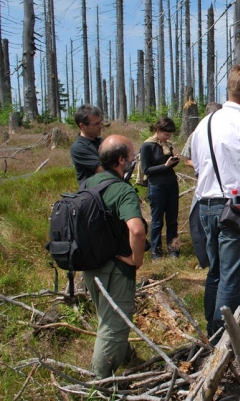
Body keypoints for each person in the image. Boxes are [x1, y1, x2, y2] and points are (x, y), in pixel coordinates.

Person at [190, 64, 240, 336]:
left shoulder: (204, 124)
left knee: (215, 273)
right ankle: (223, 340)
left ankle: (213, 334)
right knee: (232, 280)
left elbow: (198, 167)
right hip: (236, 209)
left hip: (206, 205)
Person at [82, 134, 146, 378]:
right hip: (115, 269)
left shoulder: (89, 184)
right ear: (121, 160)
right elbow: (137, 230)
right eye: (131, 156)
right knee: (113, 326)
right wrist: (135, 260)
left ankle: (127, 358)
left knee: (107, 318)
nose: (133, 160)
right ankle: (99, 384)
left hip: (90, 265)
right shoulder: (122, 190)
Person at [140, 117, 180, 260]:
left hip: (171, 184)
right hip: (156, 186)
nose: (168, 137)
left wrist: (173, 161)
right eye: (166, 134)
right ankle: (155, 252)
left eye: (170, 135)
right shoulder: (147, 146)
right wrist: (165, 166)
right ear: (158, 130)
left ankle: (173, 250)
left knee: (172, 220)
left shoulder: (167, 145)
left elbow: (167, 166)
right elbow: (146, 169)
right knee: (157, 221)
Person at [181, 102, 223, 169]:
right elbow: (187, 160)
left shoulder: (228, 134)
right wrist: (204, 166)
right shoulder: (196, 134)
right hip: (204, 176)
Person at [71, 104, 104, 183]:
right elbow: (104, 170)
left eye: (100, 122)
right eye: (96, 124)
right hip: (94, 192)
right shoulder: (79, 148)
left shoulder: (101, 142)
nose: (100, 126)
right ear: (82, 126)